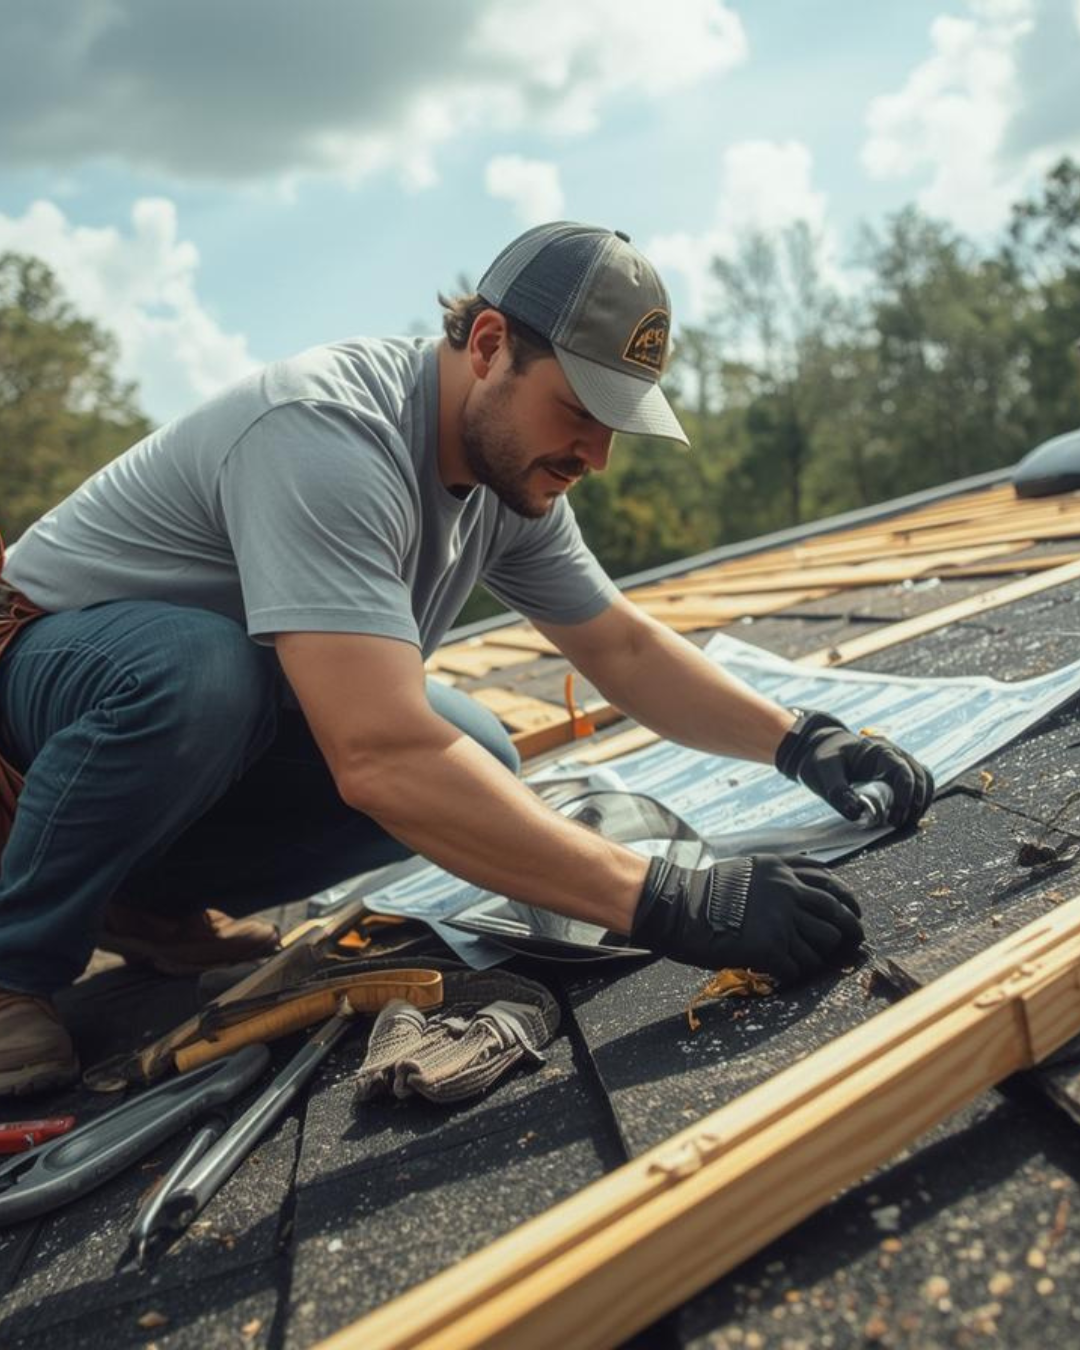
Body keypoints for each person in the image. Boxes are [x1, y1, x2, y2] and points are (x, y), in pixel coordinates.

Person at [0, 222, 933, 1097]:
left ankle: (147, 903)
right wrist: (664, 900)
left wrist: (805, 740)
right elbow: (379, 756)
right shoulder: (327, 434)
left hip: (171, 741)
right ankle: (14, 967)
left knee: (478, 755)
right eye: (578, 410)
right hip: (32, 704)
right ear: (488, 344)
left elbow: (621, 644)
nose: (597, 456)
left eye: (617, 423)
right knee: (209, 673)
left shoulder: (505, 475)